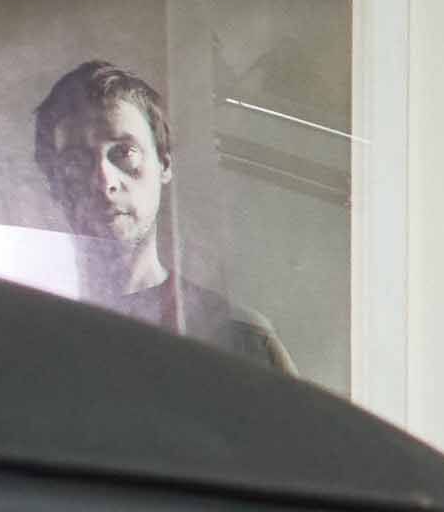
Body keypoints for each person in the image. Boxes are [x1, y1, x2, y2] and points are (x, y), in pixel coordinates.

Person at [31, 59, 292, 375]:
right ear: (54, 184)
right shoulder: (24, 329)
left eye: (124, 152)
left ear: (164, 165)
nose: (104, 181)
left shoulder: (239, 339)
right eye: (75, 161)